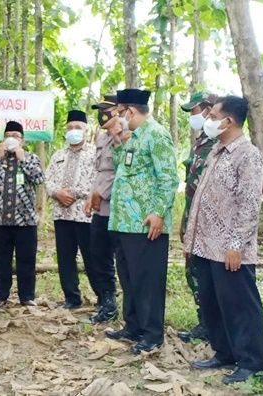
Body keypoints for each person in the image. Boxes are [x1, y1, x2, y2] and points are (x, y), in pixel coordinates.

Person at [184, 96, 263, 384]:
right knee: (212, 302)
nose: (208, 118)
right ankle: (224, 352)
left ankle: (251, 361)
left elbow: (248, 204)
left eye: (213, 114)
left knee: (240, 305)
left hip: (230, 249)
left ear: (228, 121)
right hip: (205, 245)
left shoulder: (248, 155)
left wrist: (236, 245)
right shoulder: (217, 151)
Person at [105, 89, 179, 354]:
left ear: (130, 111)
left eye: (119, 112)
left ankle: (152, 334)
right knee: (129, 278)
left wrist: (158, 212)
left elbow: (169, 178)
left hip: (146, 224)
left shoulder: (156, 135)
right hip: (124, 222)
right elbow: (123, 169)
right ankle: (133, 326)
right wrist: (117, 140)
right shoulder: (134, 137)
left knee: (147, 281)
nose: (117, 117)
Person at [0, 121, 44, 309]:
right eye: (8, 135)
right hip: (0, 221)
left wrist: (22, 159)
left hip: (25, 221)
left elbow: (39, 178)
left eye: (16, 136)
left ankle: (27, 296)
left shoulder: (30, 158)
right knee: (1, 261)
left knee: (26, 260)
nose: (12, 139)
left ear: (22, 140)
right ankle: (1, 295)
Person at [45, 110, 96, 309]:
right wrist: (57, 193)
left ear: (86, 130)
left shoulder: (95, 154)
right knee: (65, 258)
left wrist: (74, 193)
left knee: (91, 257)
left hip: (85, 214)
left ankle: (103, 298)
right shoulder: (58, 155)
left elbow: (99, 181)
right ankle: (72, 298)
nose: (73, 131)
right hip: (61, 214)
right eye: (70, 128)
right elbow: (47, 180)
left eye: (78, 128)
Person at [178, 91, 217, 343]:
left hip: (209, 222)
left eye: (194, 111)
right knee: (193, 271)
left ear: (207, 109)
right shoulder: (200, 141)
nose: (192, 117)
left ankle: (214, 325)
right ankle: (204, 321)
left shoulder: (218, 143)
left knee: (207, 273)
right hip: (192, 215)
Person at [83, 95, 120, 323]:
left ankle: (119, 304)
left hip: (116, 208)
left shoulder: (124, 137)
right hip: (99, 208)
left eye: (106, 109)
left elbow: (120, 173)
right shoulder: (102, 138)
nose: (102, 114)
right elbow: (100, 172)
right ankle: (107, 302)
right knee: (98, 256)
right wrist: (91, 196)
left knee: (119, 259)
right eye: (99, 110)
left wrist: (101, 194)